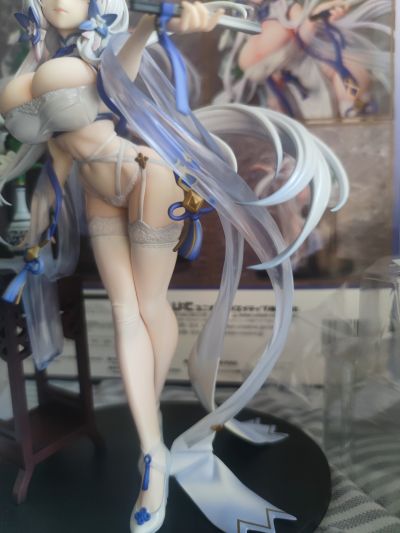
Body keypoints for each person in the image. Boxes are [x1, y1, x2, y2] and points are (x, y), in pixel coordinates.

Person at [0, 0, 348, 531]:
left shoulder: (100, 54)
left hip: (144, 176)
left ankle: (150, 414)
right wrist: (37, 227)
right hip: (97, 193)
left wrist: (148, 24)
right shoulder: (37, 66)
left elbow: (124, 69)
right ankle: (152, 451)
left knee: (148, 304)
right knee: (124, 313)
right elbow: (58, 160)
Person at [216, 0, 391, 119]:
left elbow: (303, 36)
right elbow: (242, 60)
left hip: (306, 66)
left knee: (349, 76)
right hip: (274, 84)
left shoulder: (286, 7)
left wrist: (314, 18)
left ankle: (356, 107)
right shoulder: (240, 16)